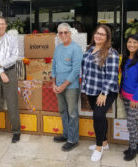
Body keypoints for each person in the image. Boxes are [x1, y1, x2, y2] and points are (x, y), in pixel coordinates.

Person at [81, 25, 119, 161]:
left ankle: (98, 147)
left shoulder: (111, 53)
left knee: (98, 115)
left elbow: (112, 75)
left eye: (102, 34)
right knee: (99, 116)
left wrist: (103, 93)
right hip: (91, 89)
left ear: (107, 37)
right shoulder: (89, 49)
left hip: (106, 91)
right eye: (97, 33)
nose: (98, 36)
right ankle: (104, 142)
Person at [0, 16, 21, 143]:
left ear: (6, 25)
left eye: (3, 23)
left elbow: (14, 56)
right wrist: (1, 72)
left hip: (10, 72)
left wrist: (0, 64)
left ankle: (16, 131)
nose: (0, 26)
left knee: (12, 103)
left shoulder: (12, 39)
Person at [51, 23, 83, 151]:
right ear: (58, 35)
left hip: (71, 87)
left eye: (66, 32)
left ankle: (73, 139)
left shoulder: (76, 48)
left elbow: (75, 71)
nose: (63, 35)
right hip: (58, 86)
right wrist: (54, 84)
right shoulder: (58, 48)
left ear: (70, 33)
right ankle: (66, 135)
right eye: (60, 33)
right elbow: (54, 67)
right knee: (63, 111)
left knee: (72, 113)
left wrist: (63, 85)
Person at [120, 34, 138, 161]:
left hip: (135, 97)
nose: (131, 45)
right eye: (129, 42)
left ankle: (132, 149)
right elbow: (124, 76)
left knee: (130, 122)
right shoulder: (126, 57)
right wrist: (121, 92)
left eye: (135, 42)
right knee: (133, 121)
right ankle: (136, 145)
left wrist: (135, 98)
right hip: (125, 95)